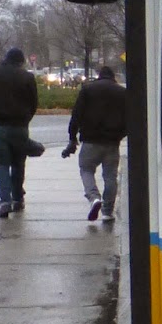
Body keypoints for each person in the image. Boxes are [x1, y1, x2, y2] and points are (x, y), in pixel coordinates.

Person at [63, 65, 129, 222]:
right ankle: (107, 212)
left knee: (86, 169)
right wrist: (119, 136)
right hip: (112, 143)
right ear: (113, 77)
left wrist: (72, 137)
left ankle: (94, 197)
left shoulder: (88, 90)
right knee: (110, 176)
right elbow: (129, 119)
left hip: (90, 141)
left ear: (99, 76)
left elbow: (76, 115)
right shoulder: (122, 92)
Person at [0, 47, 39, 218]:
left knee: (1, 164)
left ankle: (4, 201)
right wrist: (25, 118)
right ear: (21, 61)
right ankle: (18, 198)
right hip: (20, 127)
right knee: (19, 163)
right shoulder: (27, 77)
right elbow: (34, 103)